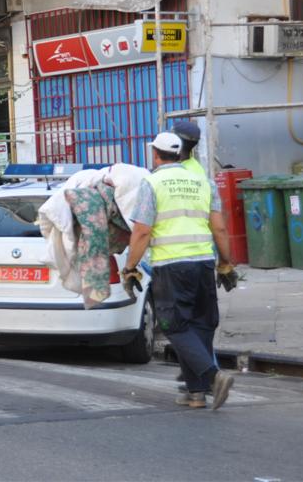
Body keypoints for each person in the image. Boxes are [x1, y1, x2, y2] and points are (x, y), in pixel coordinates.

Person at [122, 132, 236, 410]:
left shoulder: (152, 182)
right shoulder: (203, 181)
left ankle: (212, 377)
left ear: (156, 154)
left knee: (174, 325)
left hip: (171, 266)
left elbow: (142, 231)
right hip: (203, 263)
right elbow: (219, 227)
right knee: (201, 323)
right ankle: (196, 393)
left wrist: (130, 267)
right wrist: (225, 263)